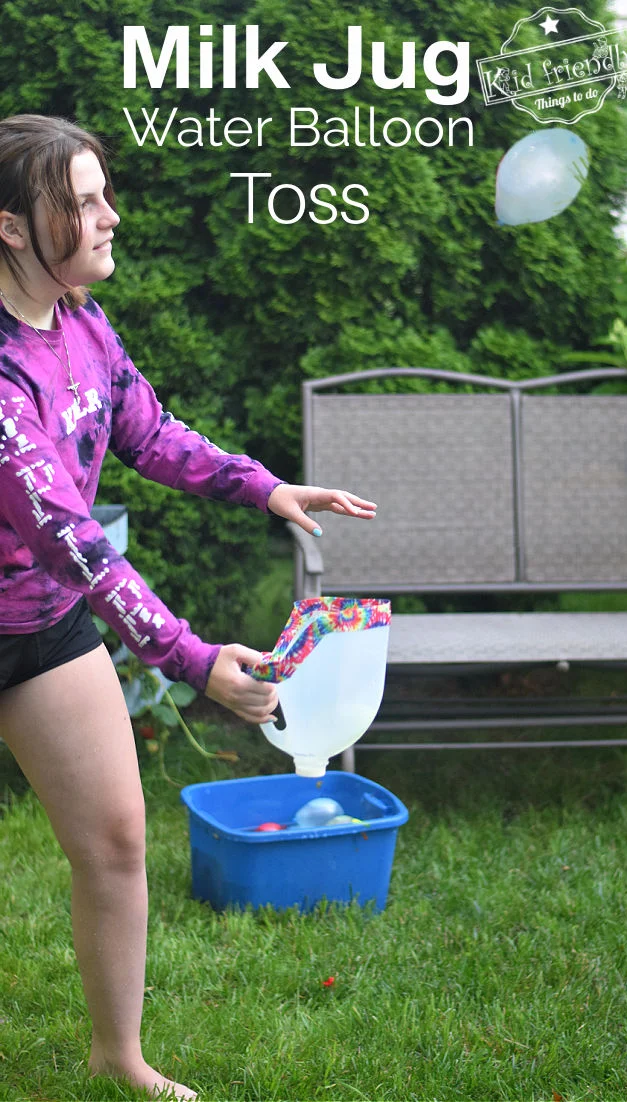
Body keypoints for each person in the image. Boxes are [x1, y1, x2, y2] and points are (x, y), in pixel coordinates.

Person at [0, 114, 376, 1101]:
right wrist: (192, 657)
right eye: (81, 203)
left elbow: (146, 427)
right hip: (55, 580)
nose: (109, 216)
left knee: (117, 839)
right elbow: (78, 541)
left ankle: (116, 1056)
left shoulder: (77, 318)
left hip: (37, 625)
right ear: (9, 226)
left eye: (101, 192)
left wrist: (265, 487)